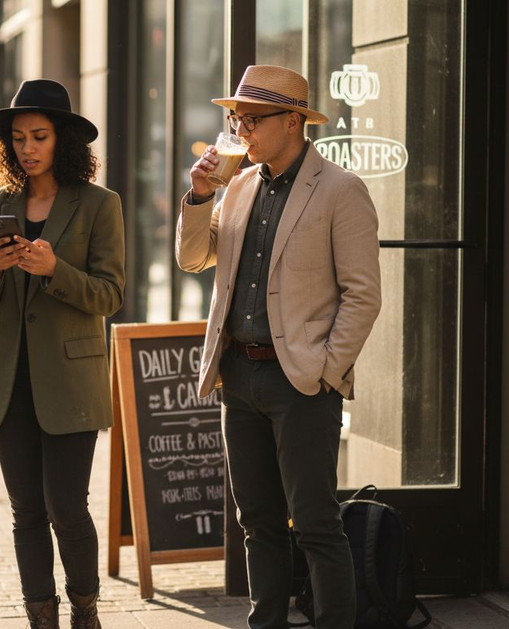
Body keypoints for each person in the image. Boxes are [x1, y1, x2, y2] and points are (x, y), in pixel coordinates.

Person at [176, 65, 382, 629]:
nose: (240, 129)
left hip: (301, 383)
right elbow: (193, 259)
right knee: (257, 522)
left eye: (251, 119)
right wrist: (196, 197)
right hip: (237, 375)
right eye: (235, 118)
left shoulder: (341, 190)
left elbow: (362, 296)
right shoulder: (237, 185)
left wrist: (323, 369)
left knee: (315, 522)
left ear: (292, 121)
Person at [0, 79, 125, 629]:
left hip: (71, 382)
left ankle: (85, 611)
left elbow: (111, 294)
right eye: (18, 138)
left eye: (39, 136)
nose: (27, 148)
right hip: (9, 382)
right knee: (26, 513)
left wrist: (55, 271)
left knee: (67, 508)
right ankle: (42, 619)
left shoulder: (100, 205)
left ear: (64, 141)